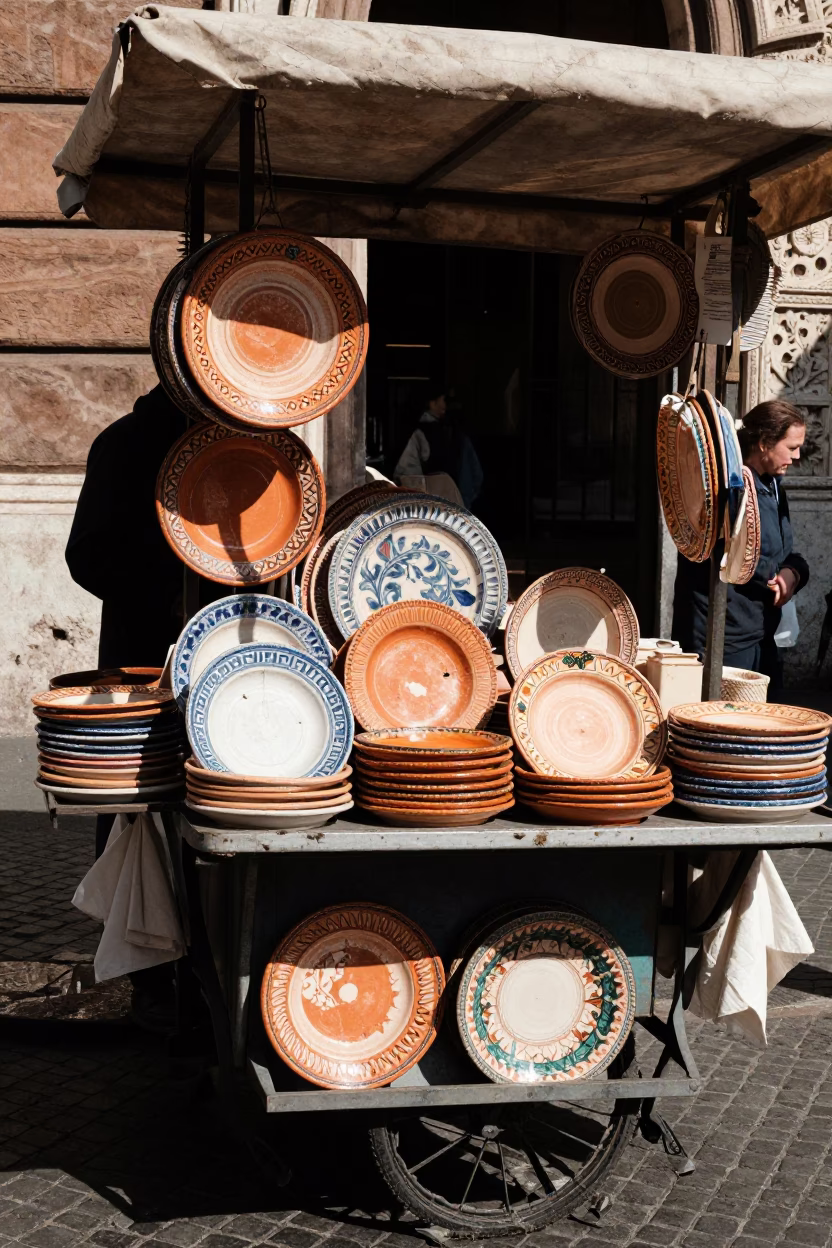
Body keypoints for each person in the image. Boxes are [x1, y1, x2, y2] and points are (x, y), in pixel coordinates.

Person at [66, 384, 209, 1032]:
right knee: (135, 801)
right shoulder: (124, 444)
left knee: (203, 805)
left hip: (207, 656)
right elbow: (87, 554)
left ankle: (193, 964)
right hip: (142, 661)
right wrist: (164, 590)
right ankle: (147, 971)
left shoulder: (223, 445)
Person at [672, 399, 809, 694]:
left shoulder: (773, 486)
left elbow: (786, 552)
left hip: (761, 633)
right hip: (723, 639)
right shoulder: (725, 488)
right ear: (764, 443)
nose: (797, 456)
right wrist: (777, 575)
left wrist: (794, 573)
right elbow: (732, 553)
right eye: (791, 447)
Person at [394, 387, 483, 507]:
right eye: (443, 400)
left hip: (436, 507)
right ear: (432, 403)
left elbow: (406, 474)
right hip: (450, 506)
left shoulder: (455, 434)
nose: (445, 405)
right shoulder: (421, 434)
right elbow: (408, 475)